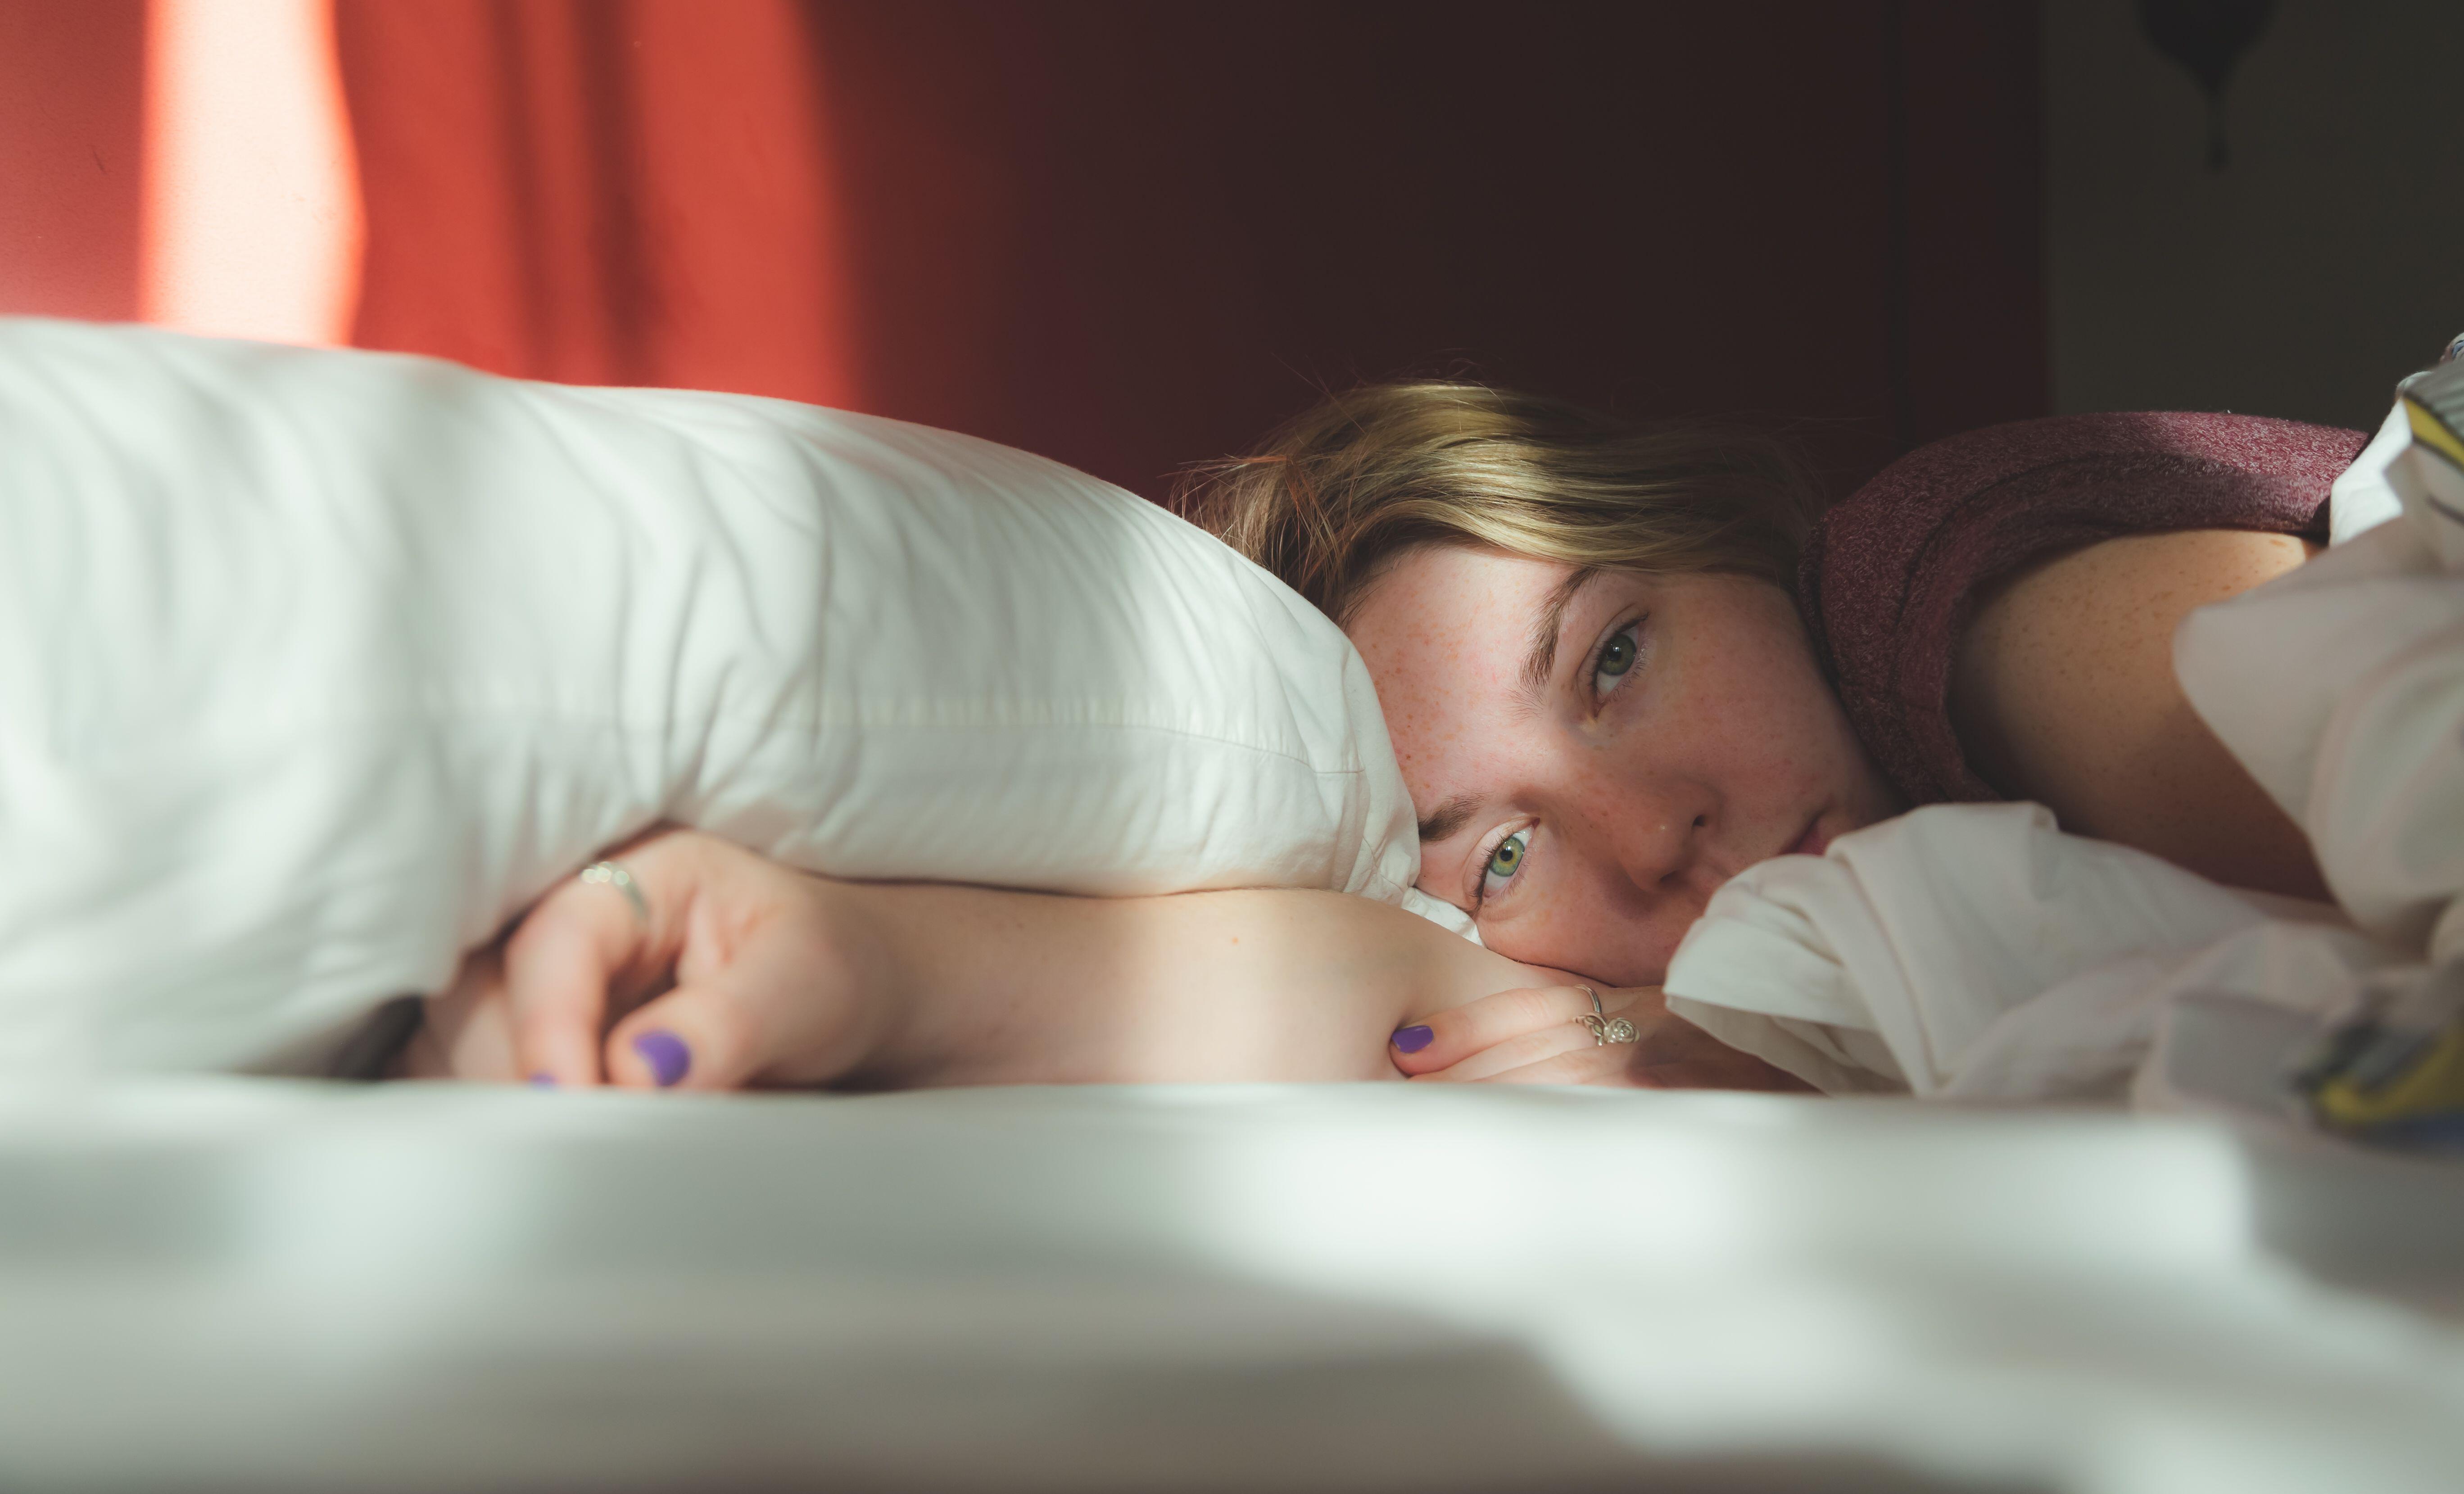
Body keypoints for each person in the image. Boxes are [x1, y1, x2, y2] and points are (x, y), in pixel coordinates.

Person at [411, 382, 2366, 1092]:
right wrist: (839, 954)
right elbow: (1378, 995)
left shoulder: (1931, 589)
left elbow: (2362, 725)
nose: (1657, 836)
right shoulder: (1769, 992)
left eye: (1610, 663)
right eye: (1501, 855)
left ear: (1719, 550)